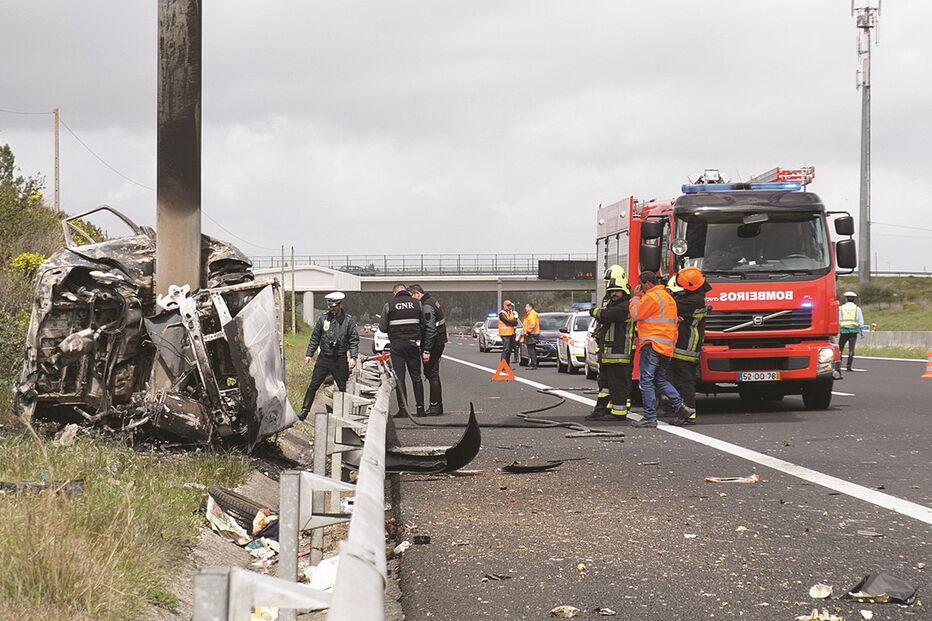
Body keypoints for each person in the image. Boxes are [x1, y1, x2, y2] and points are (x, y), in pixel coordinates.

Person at [629, 271, 694, 428]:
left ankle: (650, 417)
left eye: (641, 285)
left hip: (652, 344)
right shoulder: (668, 298)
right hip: (666, 346)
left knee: (646, 380)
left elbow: (636, 314)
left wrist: (635, 298)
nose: (640, 288)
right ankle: (681, 407)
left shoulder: (651, 297)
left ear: (647, 283)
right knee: (660, 379)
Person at [300, 291, 359, 420]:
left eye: (334, 306)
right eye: (330, 306)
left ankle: (345, 416)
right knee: (314, 385)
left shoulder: (348, 321)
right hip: (324, 358)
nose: (332, 309)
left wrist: (353, 357)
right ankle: (304, 411)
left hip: (339, 359)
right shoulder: (323, 319)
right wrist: (309, 354)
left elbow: (354, 340)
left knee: (343, 387)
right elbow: (315, 338)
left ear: (340, 305)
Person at [586, 265, 635, 421]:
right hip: (609, 353)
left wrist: (594, 311)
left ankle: (619, 413)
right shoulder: (615, 304)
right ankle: (602, 410)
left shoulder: (625, 306)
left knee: (618, 383)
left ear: (624, 291)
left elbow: (604, 315)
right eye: (611, 291)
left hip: (620, 353)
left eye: (616, 291)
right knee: (605, 383)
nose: (613, 294)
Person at [666, 267, 711, 426]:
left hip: (686, 346)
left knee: (684, 382)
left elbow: (671, 306)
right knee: (684, 380)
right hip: (687, 345)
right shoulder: (697, 297)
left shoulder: (695, 300)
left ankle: (688, 414)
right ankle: (684, 411)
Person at [379, 284, 426, 417]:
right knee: (416, 377)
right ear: (406, 291)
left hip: (397, 345)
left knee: (400, 378)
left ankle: (403, 409)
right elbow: (423, 324)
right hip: (413, 344)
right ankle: (420, 409)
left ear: (395, 293)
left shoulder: (389, 305)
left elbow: (382, 328)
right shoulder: (417, 304)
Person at [410, 284, 447, 415]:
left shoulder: (426, 306)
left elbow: (430, 329)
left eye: (412, 296)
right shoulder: (432, 300)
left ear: (416, 294)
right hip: (439, 342)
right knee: (434, 374)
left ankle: (434, 406)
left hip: (434, 345)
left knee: (432, 375)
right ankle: (438, 405)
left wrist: (426, 350)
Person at [838, 290, 864, 372]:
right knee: (851, 349)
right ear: (854, 299)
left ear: (846, 299)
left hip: (844, 330)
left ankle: (838, 366)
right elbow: (861, 322)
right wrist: (861, 331)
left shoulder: (841, 308)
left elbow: (838, 319)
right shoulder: (857, 309)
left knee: (840, 349)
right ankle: (849, 367)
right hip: (853, 331)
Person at [521, 302, 540, 369]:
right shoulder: (531, 314)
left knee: (531, 350)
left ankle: (533, 364)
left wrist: (528, 331)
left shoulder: (531, 314)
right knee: (532, 349)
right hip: (533, 334)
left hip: (531, 334)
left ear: (530, 307)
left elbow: (532, 324)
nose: (525, 308)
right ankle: (533, 364)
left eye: (526, 307)